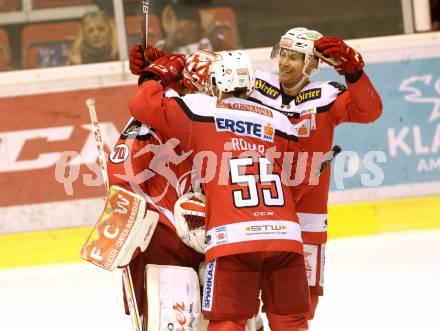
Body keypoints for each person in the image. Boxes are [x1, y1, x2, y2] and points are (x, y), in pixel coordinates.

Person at [129, 50, 314, 331]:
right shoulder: (281, 121)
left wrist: (158, 73)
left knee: (228, 322)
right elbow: (300, 181)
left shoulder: (200, 109)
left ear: (214, 83)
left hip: (233, 240)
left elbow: (143, 104)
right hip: (286, 237)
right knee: (292, 322)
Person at [248, 27, 383, 326]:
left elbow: (369, 110)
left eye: (295, 57)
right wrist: (158, 73)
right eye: (283, 54)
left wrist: (353, 71)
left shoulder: (327, 97)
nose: (285, 63)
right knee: (242, 301)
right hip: (257, 211)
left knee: (300, 307)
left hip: (306, 218)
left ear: (312, 64)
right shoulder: (254, 87)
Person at [156, 1, 225, 54]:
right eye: (171, 21)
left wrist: (212, 35)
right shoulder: (162, 45)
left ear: (193, 23)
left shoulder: (210, 42)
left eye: (179, 20)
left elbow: (229, 60)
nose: (174, 25)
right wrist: (170, 37)